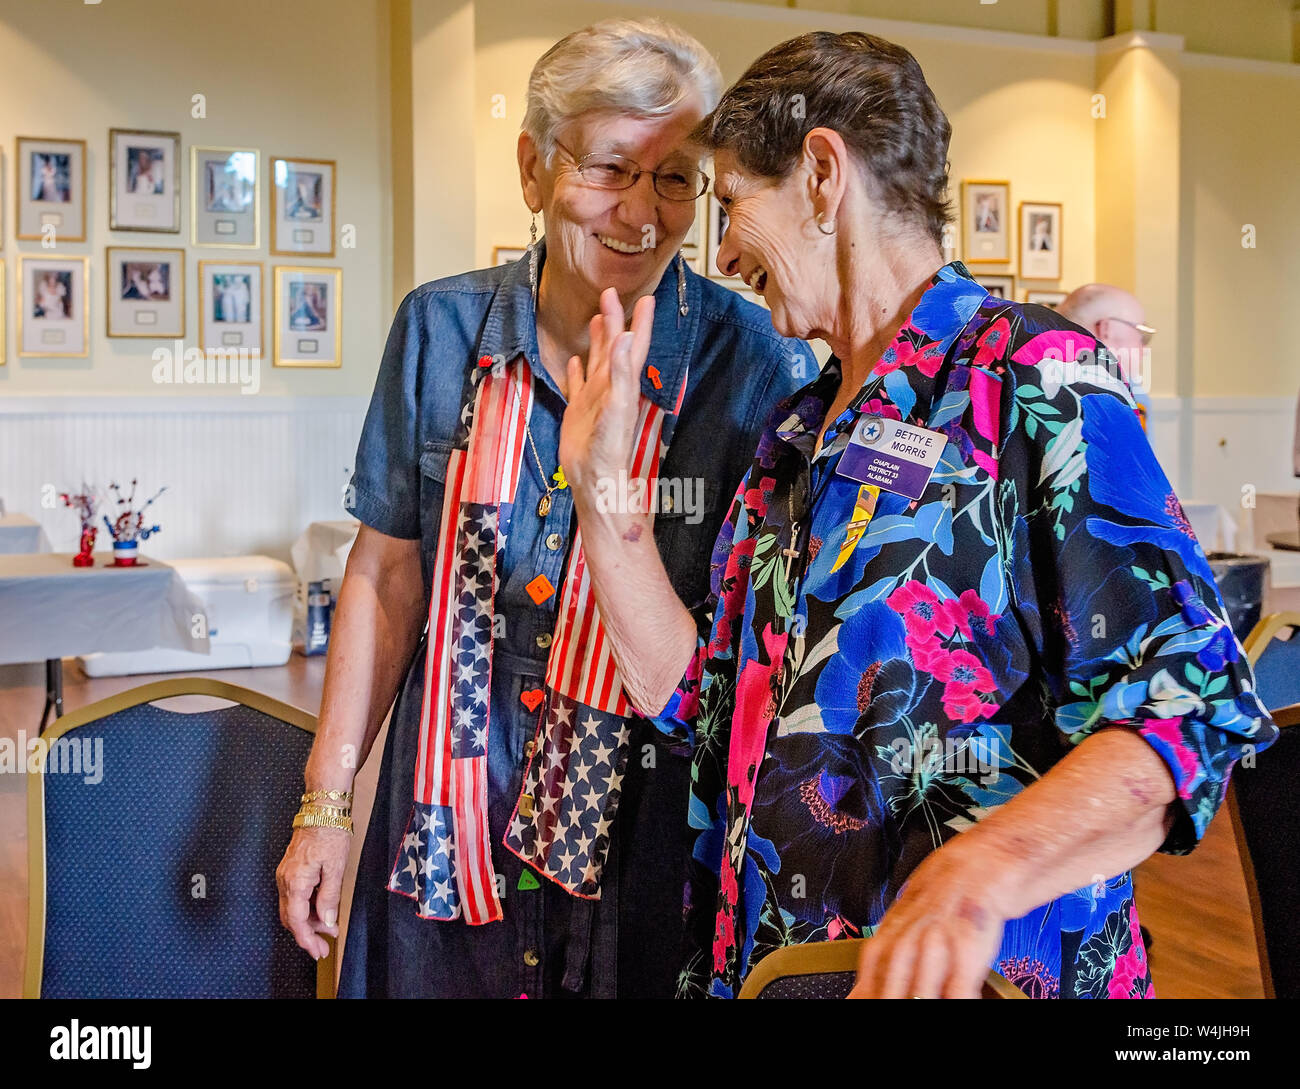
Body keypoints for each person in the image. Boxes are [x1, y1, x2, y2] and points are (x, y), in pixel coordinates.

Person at [560, 30, 1276, 999]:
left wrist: (980, 879)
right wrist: (602, 497)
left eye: (730, 205)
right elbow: (699, 703)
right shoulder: (793, 437)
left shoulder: (1035, 377)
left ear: (820, 173)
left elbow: (1189, 705)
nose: (721, 250)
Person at [275, 17, 814, 999]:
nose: (642, 213)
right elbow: (387, 576)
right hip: (449, 801)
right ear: (533, 170)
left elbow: (753, 659)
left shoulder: (754, 366)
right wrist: (326, 805)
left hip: (643, 819)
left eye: (675, 177)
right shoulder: (440, 330)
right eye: (610, 169)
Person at [1058, 282, 1155, 431]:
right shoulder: (1127, 392)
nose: (1143, 347)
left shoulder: (1034, 377)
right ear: (1106, 329)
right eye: (1141, 333)